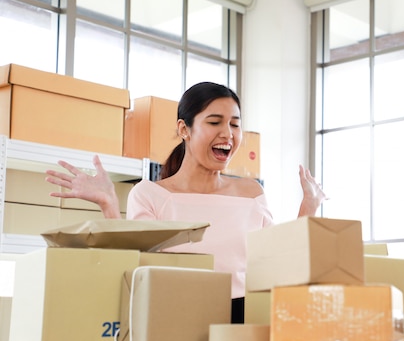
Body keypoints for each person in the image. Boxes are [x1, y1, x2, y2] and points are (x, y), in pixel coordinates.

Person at [45, 81, 326, 323]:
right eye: (215, 122)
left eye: (235, 124)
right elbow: (134, 269)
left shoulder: (251, 194)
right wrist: (108, 205)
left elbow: (279, 263)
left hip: (249, 315)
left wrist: (309, 206)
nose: (228, 133)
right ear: (184, 129)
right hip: (177, 314)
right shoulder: (150, 194)